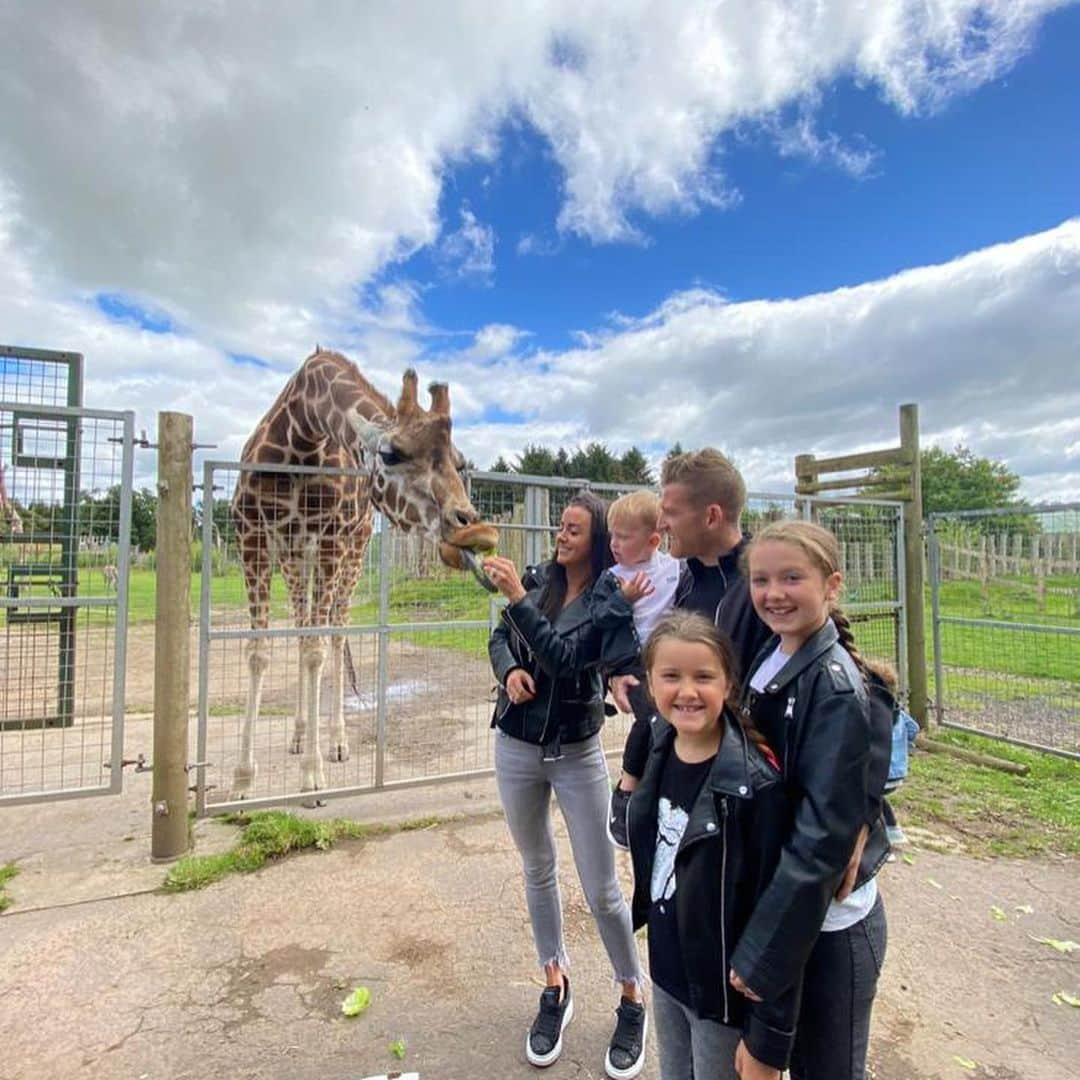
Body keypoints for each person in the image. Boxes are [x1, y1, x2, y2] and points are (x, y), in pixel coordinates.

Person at [484, 491, 648, 1079]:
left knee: (603, 888)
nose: (562, 536)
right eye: (561, 526)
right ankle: (554, 980)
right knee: (536, 869)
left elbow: (562, 657)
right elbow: (503, 637)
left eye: (574, 529)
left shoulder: (609, 597)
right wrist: (508, 670)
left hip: (576, 752)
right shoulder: (538, 579)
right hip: (516, 746)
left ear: (599, 538)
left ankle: (632, 995)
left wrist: (517, 600)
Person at [728, 520, 892, 1080]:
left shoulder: (834, 685)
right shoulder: (776, 656)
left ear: (832, 585)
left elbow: (821, 837)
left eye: (791, 577)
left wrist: (762, 957)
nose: (773, 593)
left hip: (827, 930)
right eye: (761, 579)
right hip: (794, 916)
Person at [627, 610, 798, 1080]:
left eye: (703, 676)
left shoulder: (754, 786)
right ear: (650, 683)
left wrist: (766, 1037)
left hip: (721, 997)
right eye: (671, 676)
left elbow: (778, 915)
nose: (687, 691)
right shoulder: (661, 743)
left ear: (728, 684)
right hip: (666, 972)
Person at [605, 449, 774, 849]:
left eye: (671, 512)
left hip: (751, 791)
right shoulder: (684, 582)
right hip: (686, 781)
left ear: (711, 516)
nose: (660, 525)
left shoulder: (765, 586)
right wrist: (614, 670)